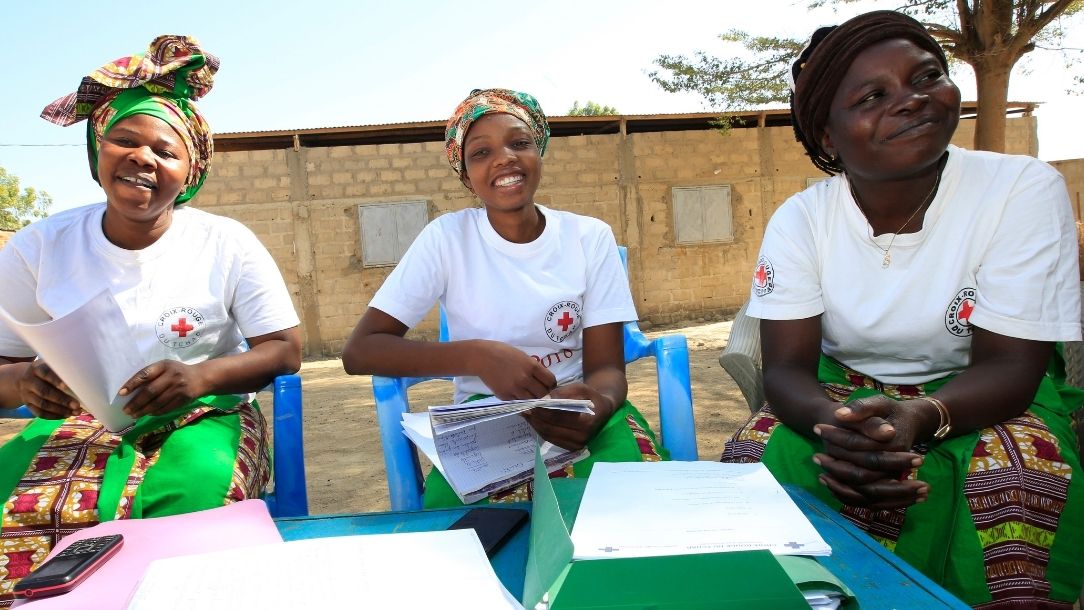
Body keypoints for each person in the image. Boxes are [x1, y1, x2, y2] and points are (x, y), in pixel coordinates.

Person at [721, 10, 1084, 608]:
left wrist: (921, 416)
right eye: (873, 96)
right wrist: (841, 434)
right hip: (846, 391)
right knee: (759, 456)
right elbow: (785, 371)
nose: (912, 102)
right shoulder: (804, 220)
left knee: (1016, 471)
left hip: (984, 385)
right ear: (829, 137)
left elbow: (1013, 368)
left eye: (926, 77)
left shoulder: (1020, 190)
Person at [0, 36, 301, 605]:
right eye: (124, 140)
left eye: (166, 151)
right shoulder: (39, 248)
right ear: (97, 152)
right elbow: (3, 366)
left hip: (204, 416)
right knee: (16, 503)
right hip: (79, 422)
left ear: (190, 174)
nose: (143, 157)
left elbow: (284, 351)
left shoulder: (226, 243)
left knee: (195, 499)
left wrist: (202, 376)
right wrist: (20, 383)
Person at [342, 88, 666, 507]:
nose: (504, 158)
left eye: (519, 143)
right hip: (485, 416)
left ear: (539, 152)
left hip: (574, 406)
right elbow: (360, 350)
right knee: (459, 529)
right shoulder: (447, 239)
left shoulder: (588, 237)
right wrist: (477, 357)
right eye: (480, 153)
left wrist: (598, 405)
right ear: (465, 176)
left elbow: (607, 370)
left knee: (639, 501)